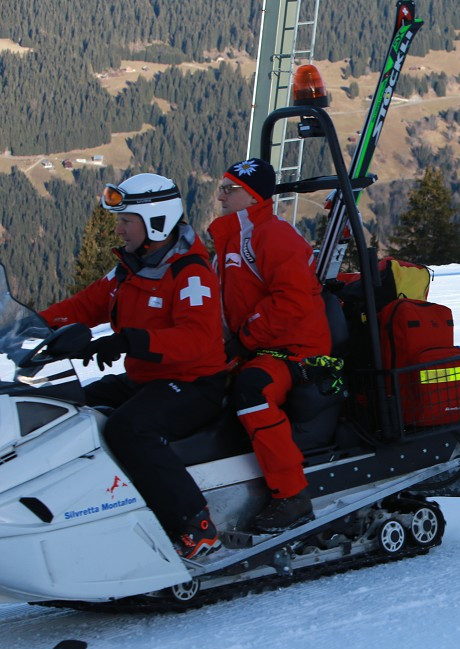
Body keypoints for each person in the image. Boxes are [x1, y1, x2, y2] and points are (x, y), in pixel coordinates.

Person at [41, 173, 228, 560]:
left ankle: (197, 525)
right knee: (66, 406)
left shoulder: (189, 272)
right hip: (147, 377)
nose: (120, 229)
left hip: (194, 384)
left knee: (131, 428)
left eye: (127, 221)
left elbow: (197, 339)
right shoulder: (132, 268)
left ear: (156, 221)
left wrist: (131, 341)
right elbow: (82, 305)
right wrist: (34, 325)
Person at [208, 158, 331, 534]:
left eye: (230, 190)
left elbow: (293, 301)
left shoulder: (272, 236)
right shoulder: (230, 239)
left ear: (253, 197)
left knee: (252, 391)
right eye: (223, 188)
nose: (221, 196)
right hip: (260, 347)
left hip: (296, 350)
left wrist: (245, 340)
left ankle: (292, 495)